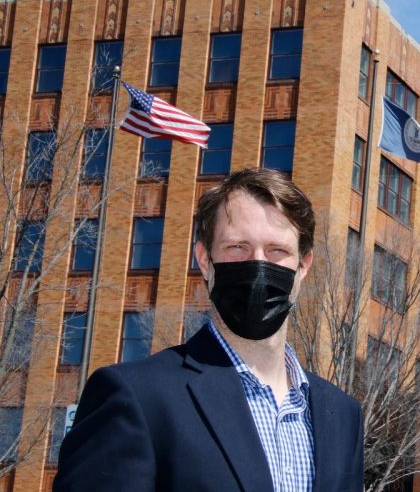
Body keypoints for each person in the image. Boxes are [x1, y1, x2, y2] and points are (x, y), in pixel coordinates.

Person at [54, 168, 364, 492]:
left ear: (303, 266)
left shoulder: (342, 415)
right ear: (204, 260)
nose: (257, 265)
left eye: (277, 251)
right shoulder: (136, 396)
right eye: (237, 248)